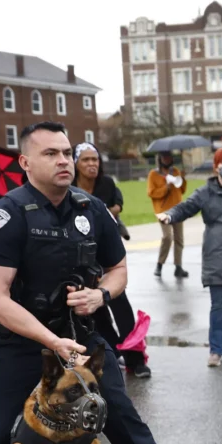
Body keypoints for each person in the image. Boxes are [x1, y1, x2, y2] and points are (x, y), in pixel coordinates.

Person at [0, 121, 211, 444]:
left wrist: (101, 294)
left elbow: (118, 269)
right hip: (20, 343)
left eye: (67, 152)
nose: (64, 160)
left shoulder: (90, 208)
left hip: (81, 338)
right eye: (51, 153)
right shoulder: (6, 216)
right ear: (25, 162)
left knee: (125, 421)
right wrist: (49, 341)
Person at [157, 148, 222, 367]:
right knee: (218, 306)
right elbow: (186, 207)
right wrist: (170, 215)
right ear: (215, 167)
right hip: (217, 257)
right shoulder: (205, 192)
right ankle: (216, 351)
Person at [74, 143, 149, 378]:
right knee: (95, 313)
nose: (92, 164)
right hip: (82, 258)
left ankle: (136, 359)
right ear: (76, 163)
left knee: (121, 308)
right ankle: (112, 351)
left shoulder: (106, 184)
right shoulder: (68, 187)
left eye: (95, 159)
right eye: (85, 160)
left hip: (107, 255)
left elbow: (116, 206)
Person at [147, 150, 188, 278]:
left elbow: (182, 190)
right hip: (163, 211)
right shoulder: (153, 174)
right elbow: (151, 193)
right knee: (167, 237)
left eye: (169, 157)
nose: (167, 159)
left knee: (179, 239)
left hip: (178, 209)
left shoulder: (175, 172)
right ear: (160, 159)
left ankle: (178, 266)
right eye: (164, 157)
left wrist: (182, 178)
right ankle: (160, 264)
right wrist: (166, 188)